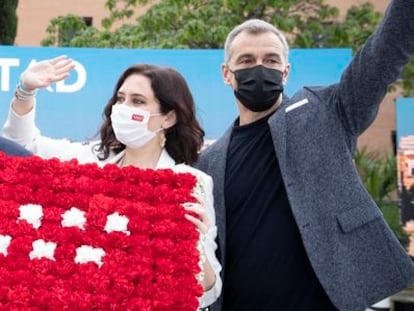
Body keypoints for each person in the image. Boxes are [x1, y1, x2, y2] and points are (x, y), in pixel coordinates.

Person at [194, 0, 414, 310]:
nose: (259, 68)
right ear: (226, 74)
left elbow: (384, 53)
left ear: (285, 72)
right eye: (246, 60)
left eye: (271, 60)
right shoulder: (207, 162)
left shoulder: (328, 111)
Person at [2, 57, 222, 310]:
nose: (124, 107)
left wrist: (193, 243)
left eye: (137, 101)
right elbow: (24, 146)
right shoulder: (90, 161)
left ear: (169, 118)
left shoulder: (191, 184)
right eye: (120, 99)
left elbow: (210, 290)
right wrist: (25, 91)